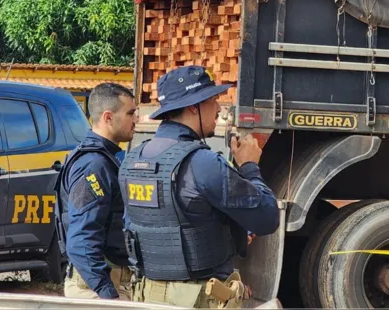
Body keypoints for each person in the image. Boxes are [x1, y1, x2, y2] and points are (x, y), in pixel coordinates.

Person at [120, 65, 280, 308]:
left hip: (147, 296)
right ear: (194, 106)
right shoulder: (203, 163)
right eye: (213, 100)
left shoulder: (131, 162)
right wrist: (249, 166)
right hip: (198, 299)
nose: (218, 108)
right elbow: (268, 218)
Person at [56, 83, 138, 300]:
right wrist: (107, 294)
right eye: (130, 113)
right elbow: (81, 238)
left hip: (106, 282)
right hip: (96, 288)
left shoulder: (106, 159)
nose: (136, 120)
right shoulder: (93, 165)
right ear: (108, 117)